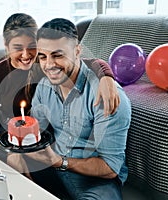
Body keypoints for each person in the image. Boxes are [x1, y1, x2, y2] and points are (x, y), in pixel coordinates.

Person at [0, 13, 120, 174]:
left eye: (32, 46)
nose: (26, 55)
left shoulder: (45, 64)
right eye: (17, 48)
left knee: (23, 162)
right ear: (6, 46)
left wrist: (106, 77)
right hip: (10, 132)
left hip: (40, 134)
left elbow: (84, 62)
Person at [24, 18, 131, 199]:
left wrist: (59, 162)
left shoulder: (106, 96)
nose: (49, 65)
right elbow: (36, 131)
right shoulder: (44, 86)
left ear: (77, 51)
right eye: (43, 57)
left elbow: (111, 168)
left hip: (97, 181)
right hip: (53, 166)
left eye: (57, 55)